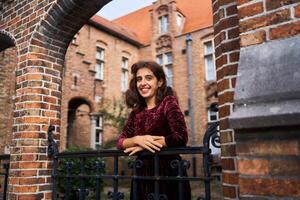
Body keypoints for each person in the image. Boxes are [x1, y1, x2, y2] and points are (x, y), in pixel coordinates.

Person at [117, 60, 191, 200]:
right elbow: (120, 142)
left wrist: (147, 144)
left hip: (168, 171)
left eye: (149, 78)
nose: (143, 83)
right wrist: (137, 140)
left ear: (160, 82)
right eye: (139, 79)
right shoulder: (136, 112)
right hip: (142, 173)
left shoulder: (168, 103)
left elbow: (181, 136)